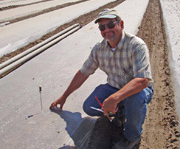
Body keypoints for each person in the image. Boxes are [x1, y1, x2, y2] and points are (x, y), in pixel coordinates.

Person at [50, 8, 153, 149]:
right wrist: (64, 96)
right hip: (114, 86)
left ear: (121, 24)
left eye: (111, 24)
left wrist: (114, 98)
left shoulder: (136, 45)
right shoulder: (99, 49)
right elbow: (83, 73)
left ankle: (132, 137)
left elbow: (142, 81)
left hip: (137, 90)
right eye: (102, 27)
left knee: (135, 99)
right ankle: (119, 111)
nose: (107, 30)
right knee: (89, 106)